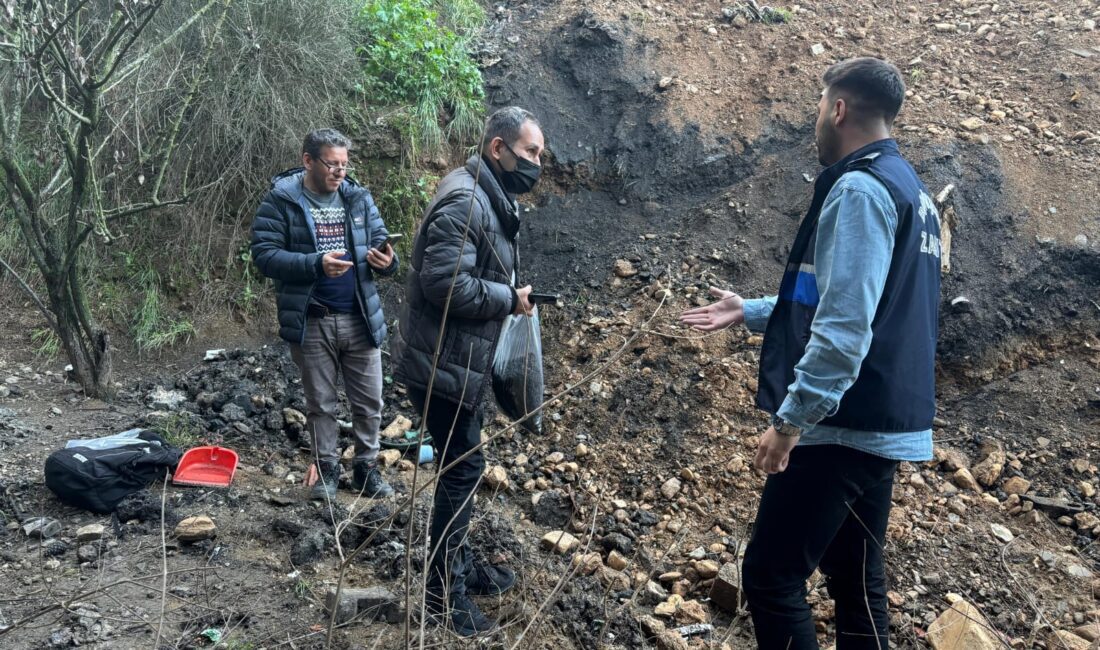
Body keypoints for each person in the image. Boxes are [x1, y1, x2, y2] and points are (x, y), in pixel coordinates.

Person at [681, 57, 941, 649]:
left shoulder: (859, 188)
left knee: (771, 577)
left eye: (820, 107)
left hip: (841, 421)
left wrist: (791, 420)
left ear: (839, 109)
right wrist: (745, 309)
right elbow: (846, 298)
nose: (816, 121)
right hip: (885, 423)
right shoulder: (911, 190)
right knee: (857, 584)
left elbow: (845, 327)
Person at [393, 106, 545, 636]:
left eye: (541, 155)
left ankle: (455, 566)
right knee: (461, 469)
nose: (537, 165)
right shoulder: (466, 201)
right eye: (530, 153)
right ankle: (443, 595)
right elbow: (445, 286)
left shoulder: (487, 195)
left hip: (455, 360)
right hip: (440, 365)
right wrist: (509, 298)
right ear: (497, 148)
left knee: (464, 464)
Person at [251, 128, 398, 501]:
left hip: (360, 316)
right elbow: (264, 256)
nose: (340, 172)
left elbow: (382, 245)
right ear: (308, 161)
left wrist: (387, 262)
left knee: (370, 403)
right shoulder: (281, 201)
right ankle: (328, 472)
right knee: (321, 405)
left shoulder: (358, 199)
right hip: (312, 318)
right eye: (332, 164)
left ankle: (366, 471)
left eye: (345, 165)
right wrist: (315, 264)